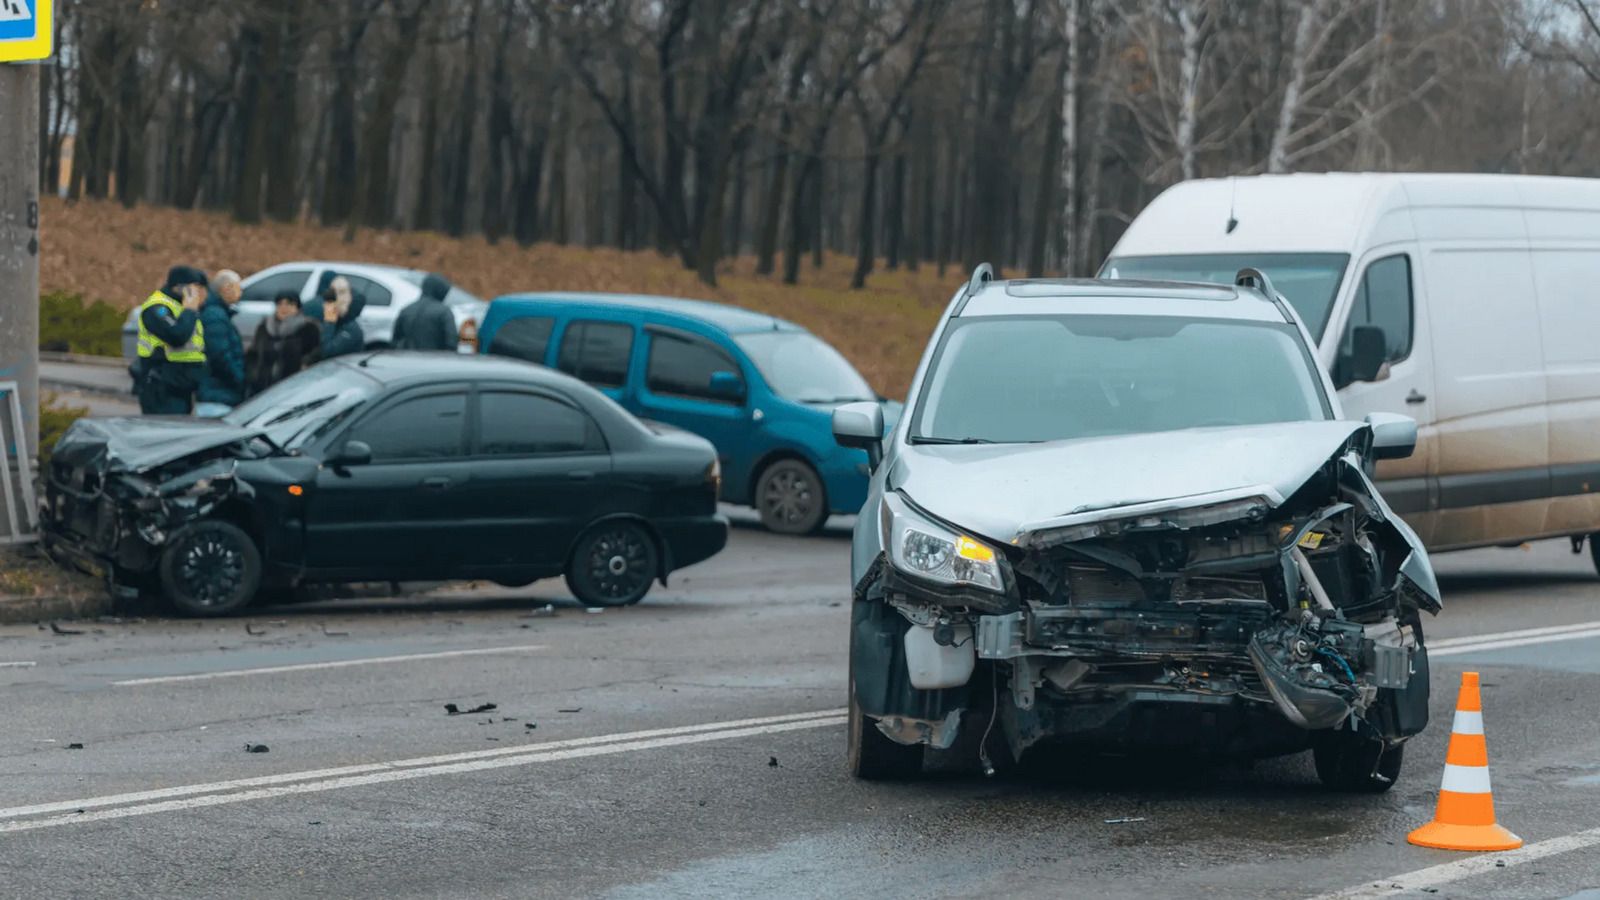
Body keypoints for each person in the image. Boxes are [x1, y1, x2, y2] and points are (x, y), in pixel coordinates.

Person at [133, 266, 208, 415]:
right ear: (179, 287)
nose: (198, 294)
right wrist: (190, 310)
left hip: (181, 386)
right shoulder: (158, 307)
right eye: (194, 289)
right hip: (161, 386)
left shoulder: (180, 307)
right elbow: (177, 336)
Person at [244, 291, 322, 396]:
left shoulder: (308, 328)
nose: (284, 308)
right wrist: (253, 376)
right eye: (280, 304)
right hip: (262, 390)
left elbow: (315, 354)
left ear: (297, 307)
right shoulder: (264, 327)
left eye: (289, 304)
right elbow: (253, 354)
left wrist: (304, 367)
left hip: (293, 390)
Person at [194, 269, 246, 417]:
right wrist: (239, 378)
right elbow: (220, 356)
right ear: (226, 288)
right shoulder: (215, 316)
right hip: (217, 395)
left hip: (217, 391)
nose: (240, 293)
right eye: (238, 288)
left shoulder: (217, 313)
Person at [303, 275, 365, 359]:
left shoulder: (350, 328)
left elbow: (326, 352)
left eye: (341, 292)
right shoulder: (335, 322)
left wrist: (330, 320)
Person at [392, 272, 458, 351]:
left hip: (408, 359)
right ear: (441, 291)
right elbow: (451, 343)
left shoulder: (406, 310)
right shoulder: (445, 312)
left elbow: (395, 342)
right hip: (436, 360)